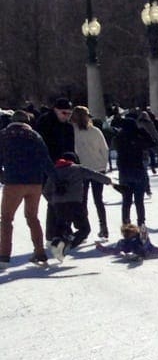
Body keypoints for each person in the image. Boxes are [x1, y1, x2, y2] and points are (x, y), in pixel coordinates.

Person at [0, 109, 54, 268]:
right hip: (35, 183)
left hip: (13, 182)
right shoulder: (35, 136)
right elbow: (46, 159)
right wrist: (56, 178)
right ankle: (40, 253)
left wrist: (2, 176)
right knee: (32, 217)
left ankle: (3, 256)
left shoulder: (3, 135)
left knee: (6, 219)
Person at [43, 151, 113, 261]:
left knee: (62, 227)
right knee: (85, 229)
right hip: (75, 204)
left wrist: (53, 201)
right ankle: (66, 245)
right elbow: (95, 175)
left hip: (58, 206)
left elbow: (46, 191)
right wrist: (109, 181)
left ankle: (58, 242)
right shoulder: (78, 169)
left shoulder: (54, 171)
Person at [35, 97, 75, 240]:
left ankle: (63, 229)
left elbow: (71, 147)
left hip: (64, 167)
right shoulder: (44, 123)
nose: (67, 116)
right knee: (53, 200)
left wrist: (72, 163)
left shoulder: (68, 127)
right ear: (56, 110)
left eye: (70, 114)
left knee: (64, 199)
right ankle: (53, 232)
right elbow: (39, 148)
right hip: (47, 167)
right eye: (64, 113)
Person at [113, 112, 158, 229]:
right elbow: (152, 143)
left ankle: (126, 225)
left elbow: (114, 146)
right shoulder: (138, 137)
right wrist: (142, 132)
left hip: (124, 172)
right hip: (138, 170)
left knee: (126, 201)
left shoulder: (119, 138)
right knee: (139, 202)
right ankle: (141, 225)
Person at [71, 105, 110, 239]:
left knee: (82, 200)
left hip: (81, 169)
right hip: (98, 168)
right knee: (98, 200)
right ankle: (103, 227)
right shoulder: (95, 131)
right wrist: (103, 166)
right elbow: (104, 149)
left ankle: (84, 227)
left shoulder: (73, 132)